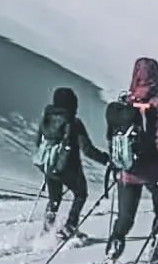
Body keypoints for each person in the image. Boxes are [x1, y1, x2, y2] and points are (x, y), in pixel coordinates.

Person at [104, 56, 158, 264]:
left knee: (125, 217)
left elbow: (112, 136)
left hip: (126, 169)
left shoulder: (126, 102)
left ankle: (114, 247)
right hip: (153, 170)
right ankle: (157, 248)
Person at [34, 86, 108, 240]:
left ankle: (47, 230)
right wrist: (106, 159)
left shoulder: (45, 119)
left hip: (49, 166)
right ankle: (70, 226)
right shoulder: (73, 123)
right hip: (70, 168)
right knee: (80, 194)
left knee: (54, 199)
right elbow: (87, 150)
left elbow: (38, 142)